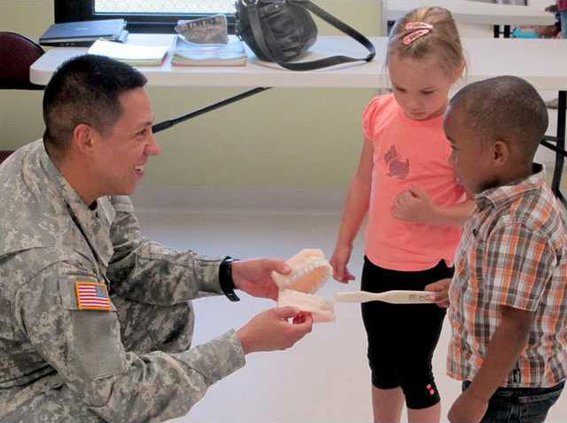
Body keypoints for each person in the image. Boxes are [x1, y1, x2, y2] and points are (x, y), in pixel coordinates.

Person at [0, 54, 313, 422]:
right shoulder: (52, 266)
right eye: (139, 133)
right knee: (113, 407)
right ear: (86, 138)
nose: (154, 146)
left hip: (45, 338)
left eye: (151, 129)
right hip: (16, 387)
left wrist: (230, 274)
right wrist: (243, 343)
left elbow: (127, 259)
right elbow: (117, 396)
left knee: (169, 311)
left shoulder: (61, 160)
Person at [330, 7, 474, 423]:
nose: (412, 103)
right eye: (400, 89)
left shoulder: (462, 130)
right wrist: (344, 242)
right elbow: (362, 181)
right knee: (381, 362)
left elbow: (481, 208)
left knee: (414, 370)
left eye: (427, 92)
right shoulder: (379, 112)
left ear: (456, 71)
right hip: (378, 263)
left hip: (429, 273)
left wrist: (434, 213)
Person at [435, 75, 567, 423]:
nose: (451, 160)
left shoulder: (518, 224)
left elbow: (515, 324)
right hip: (503, 378)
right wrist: (461, 288)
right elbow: (511, 283)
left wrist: (477, 397)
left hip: (510, 388)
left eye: (455, 148)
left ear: (497, 153)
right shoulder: (508, 202)